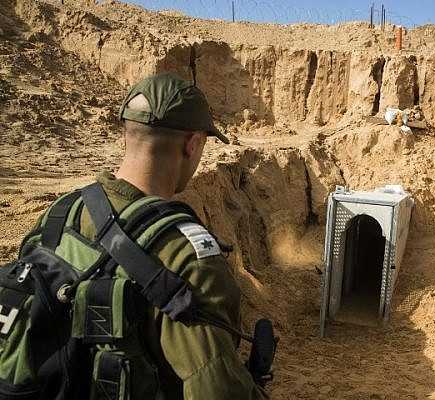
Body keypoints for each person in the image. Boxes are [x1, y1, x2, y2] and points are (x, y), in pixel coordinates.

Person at [40, 73, 267, 399]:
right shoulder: (188, 258)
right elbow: (216, 389)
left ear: (127, 134)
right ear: (192, 143)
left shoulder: (60, 212)